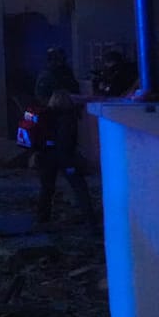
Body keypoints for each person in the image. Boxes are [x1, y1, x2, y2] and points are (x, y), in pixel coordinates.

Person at [36, 90, 95, 225]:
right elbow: (65, 142)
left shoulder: (45, 115)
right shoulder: (68, 118)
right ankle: (90, 220)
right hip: (64, 157)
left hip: (46, 156)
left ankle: (42, 219)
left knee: (47, 188)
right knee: (80, 188)